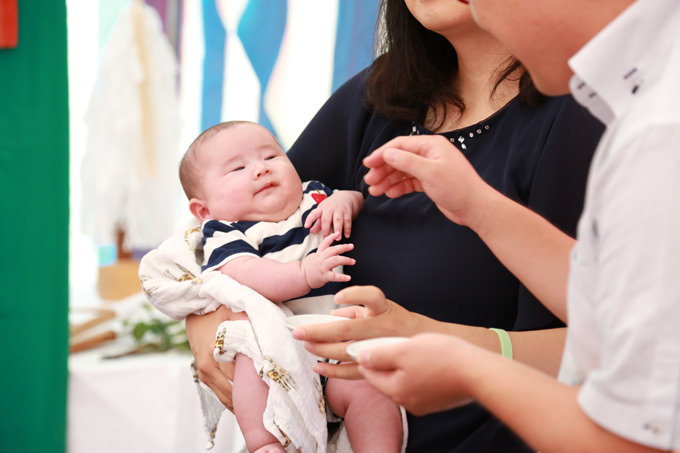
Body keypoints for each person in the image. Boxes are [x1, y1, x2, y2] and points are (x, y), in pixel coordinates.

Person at [185, 1, 604, 451]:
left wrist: (434, 341)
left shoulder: (583, 113)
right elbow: (227, 227)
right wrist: (212, 317)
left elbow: (622, 344)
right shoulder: (379, 95)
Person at [352, 0, 680, 451]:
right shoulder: (645, 102)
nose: (482, 15)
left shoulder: (657, 129)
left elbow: (635, 438)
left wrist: (470, 367)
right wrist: (476, 205)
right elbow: (610, 308)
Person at [167, 120, 403, 453]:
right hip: (281, 351)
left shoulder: (314, 197)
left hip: (338, 343)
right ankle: (265, 443)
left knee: (370, 389)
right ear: (203, 209)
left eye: (271, 156)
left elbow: (354, 196)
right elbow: (248, 273)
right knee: (251, 363)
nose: (261, 170)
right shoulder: (226, 232)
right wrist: (304, 274)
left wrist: (344, 202)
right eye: (238, 168)